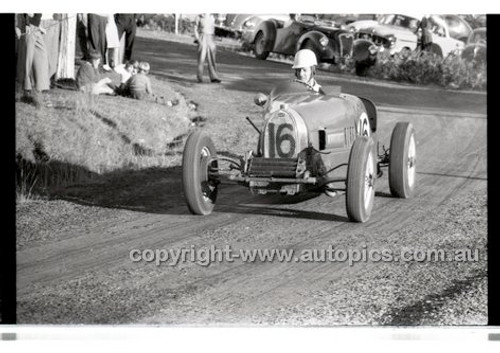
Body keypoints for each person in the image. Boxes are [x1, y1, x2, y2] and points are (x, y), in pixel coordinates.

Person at [16, 13, 51, 106]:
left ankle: (41, 90)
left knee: (42, 57)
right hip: (28, 28)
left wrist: (39, 27)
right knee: (27, 61)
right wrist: (24, 25)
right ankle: (26, 92)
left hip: (35, 28)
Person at [193, 13, 221, 83]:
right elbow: (195, 29)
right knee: (201, 58)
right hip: (202, 36)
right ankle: (199, 77)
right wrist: (198, 39)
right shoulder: (199, 17)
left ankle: (214, 77)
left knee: (212, 58)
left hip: (211, 37)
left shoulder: (213, 16)